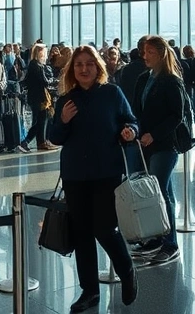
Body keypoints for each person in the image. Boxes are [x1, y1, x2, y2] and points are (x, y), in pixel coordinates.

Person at [48, 45, 139, 312]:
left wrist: (130, 131)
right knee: (82, 234)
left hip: (106, 173)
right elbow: (55, 137)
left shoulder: (112, 93)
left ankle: (127, 270)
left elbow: (131, 121)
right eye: (79, 65)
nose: (84, 69)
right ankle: (89, 291)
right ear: (72, 70)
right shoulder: (67, 99)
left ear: (98, 67)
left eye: (89, 64)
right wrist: (63, 120)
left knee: (104, 228)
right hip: (75, 175)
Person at [131, 36, 185, 265]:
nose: (145, 56)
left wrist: (154, 134)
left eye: (150, 52)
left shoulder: (172, 81)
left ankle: (170, 242)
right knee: (157, 191)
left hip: (164, 144)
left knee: (160, 192)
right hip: (145, 143)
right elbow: (137, 110)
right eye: (144, 51)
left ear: (161, 54)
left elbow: (177, 115)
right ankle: (156, 236)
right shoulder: (144, 79)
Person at [20, 44, 58, 153]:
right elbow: (44, 81)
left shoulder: (34, 64)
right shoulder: (36, 65)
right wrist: (53, 81)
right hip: (39, 97)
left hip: (36, 97)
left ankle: (41, 141)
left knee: (41, 120)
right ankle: (28, 141)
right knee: (40, 121)